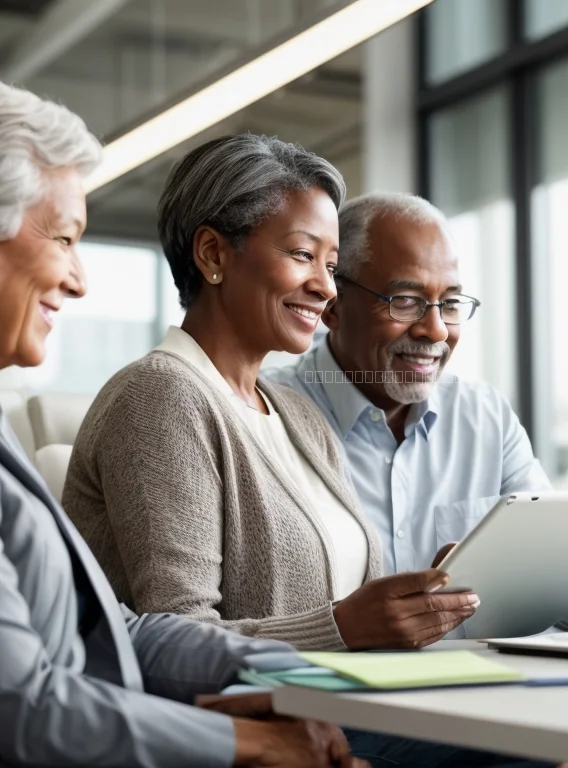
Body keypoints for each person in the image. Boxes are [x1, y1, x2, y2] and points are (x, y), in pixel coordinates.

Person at [0, 81, 367, 768]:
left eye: (333, 263)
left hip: (299, 703)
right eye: (65, 237)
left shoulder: (299, 417)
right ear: (213, 255)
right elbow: (22, 708)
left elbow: (119, 632)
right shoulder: (159, 397)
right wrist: (254, 740)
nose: (80, 278)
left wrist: (332, 672)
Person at [265, 191, 568, 633]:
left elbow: (557, 557)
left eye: (451, 303)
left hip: (482, 699)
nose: (436, 331)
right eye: (406, 301)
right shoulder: (264, 416)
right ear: (333, 304)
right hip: (334, 711)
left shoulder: (481, 415)